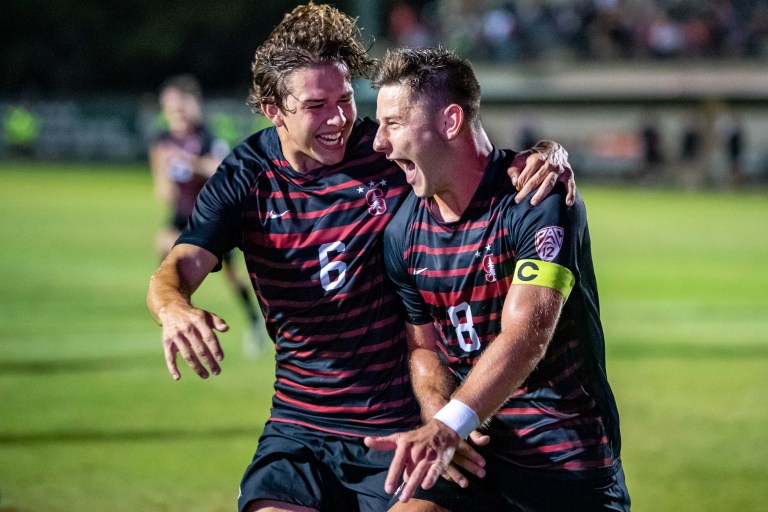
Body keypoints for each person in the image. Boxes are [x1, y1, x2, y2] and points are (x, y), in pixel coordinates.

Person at [146, 4, 575, 512]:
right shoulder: (247, 176)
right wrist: (173, 306)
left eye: (345, 98)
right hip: (298, 432)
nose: (339, 118)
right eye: (316, 105)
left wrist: (547, 153)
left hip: (400, 428)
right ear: (272, 109)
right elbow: (177, 268)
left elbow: (471, 161)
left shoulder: (388, 153)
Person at [364, 47, 629, 511]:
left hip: (565, 460)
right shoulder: (403, 232)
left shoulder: (538, 198)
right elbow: (425, 348)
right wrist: (439, 417)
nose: (378, 143)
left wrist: (448, 426)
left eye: (394, 123)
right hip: (472, 457)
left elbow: (527, 334)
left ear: (450, 122)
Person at [148, 74, 265, 356]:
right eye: (170, 107)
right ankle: (177, 306)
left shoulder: (207, 137)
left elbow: (221, 170)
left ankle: (253, 319)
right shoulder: (162, 142)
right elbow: (162, 193)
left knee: (233, 276)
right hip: (181, 214)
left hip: (211, 217)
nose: (176, 112)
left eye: (180, 105)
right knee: (164, 245)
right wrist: (165, 170)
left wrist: (192, 164)